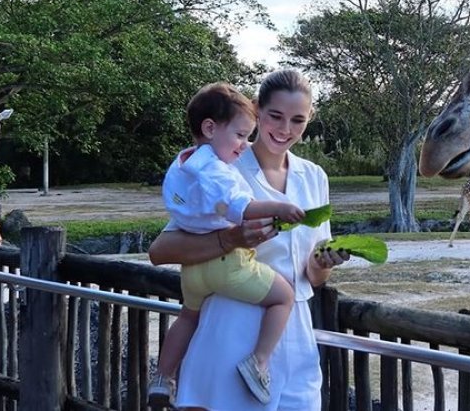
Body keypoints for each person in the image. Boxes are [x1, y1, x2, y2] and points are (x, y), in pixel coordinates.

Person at [149, 69, 351, 411]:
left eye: (297, 120)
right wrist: (231, 238)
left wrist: (321, 264)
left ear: (309, 120)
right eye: (275, 116)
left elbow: (312, 277)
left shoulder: (315, 176)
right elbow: (160, 251)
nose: (285, 129)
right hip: (233, 322)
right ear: (257, 111)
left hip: (297, 328)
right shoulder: (222, 164)